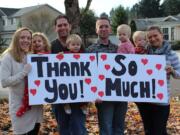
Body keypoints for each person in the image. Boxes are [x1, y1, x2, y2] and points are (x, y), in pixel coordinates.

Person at [86, 16, 127, 135]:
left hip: (121, 94)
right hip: (103, 97)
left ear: (110, 29)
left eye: (106, 26)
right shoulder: (90, 50)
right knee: (106, 129)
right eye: (100, 27)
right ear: (96, 30)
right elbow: (88, 74)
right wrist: (94, 94)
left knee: (119, 128)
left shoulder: (119, 48)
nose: (103, 29)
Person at [137, 26, 180, 135]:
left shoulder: (171, 54)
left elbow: (179, 74)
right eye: (149, 37)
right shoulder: (143, 53)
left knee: (159, 131)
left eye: (155, 35)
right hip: (145, 100)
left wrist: (173, 71)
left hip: (161, 102)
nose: (153, 39)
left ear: (162, 35)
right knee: (148, 130)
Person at [0, 27, 43, 135]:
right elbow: (4, 82)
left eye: (29, 38)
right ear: (16, 39)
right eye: (22, 37)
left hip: (35, 106)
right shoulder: (8, 57)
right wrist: (23, 73)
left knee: (34, 132)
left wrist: (42, 60)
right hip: (19, 106)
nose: (26, 40)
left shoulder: (30, 55)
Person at [51, 15, 87, 135]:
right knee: (64, 128)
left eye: (65, 24)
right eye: (59, 25)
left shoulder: (79, 45)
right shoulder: (51, 46)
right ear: (55, 28)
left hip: (78, 95)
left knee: (79, 128)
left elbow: (87, 67)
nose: (63, 27)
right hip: (59, 96)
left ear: (70, 26)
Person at [16, 32, 50, 117]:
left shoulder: (49, 54)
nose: (37, 43)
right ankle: (26, 106)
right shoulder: (30, 55)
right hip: (33, 79)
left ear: (44, 43)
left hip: (46, 80)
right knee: (28, 91)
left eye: (39, 41)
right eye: (34, 42)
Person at [63, 34, 88, 115]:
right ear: (68, 46)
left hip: (79, 78)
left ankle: (83, 105)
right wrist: (59, 55)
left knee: (82, 90)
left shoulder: (83, 55)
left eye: (78, 44)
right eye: (73, 44)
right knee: (66, 91)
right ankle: (66, 104)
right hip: (68, 78)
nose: (76, 46)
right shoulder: (65, 54)